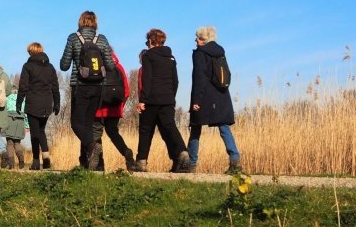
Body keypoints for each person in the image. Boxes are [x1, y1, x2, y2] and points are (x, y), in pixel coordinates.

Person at [60, 11, 115, 170]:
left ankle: (92, 147)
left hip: (79, 85)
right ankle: (87, 162)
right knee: (88, 124)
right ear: (95, 22)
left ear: (80, 21)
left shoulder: (73, 38)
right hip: (98, 87)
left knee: (77, 123)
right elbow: (110, 66)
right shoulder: (102, 39)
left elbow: (64, 66)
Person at [188, 26, 243, 174]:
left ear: (204, 40)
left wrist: (196, 101)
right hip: (222, 95)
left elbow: (199, 78)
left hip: (205, 96)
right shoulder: (220, 53)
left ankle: (191, 164)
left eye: (198, 37)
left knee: (195, 127)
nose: (195, 39)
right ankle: (235, 160)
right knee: (224, 127)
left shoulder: (200, 54)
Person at [135, 29, 191, 173]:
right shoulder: (171, 58)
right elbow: (175, 81)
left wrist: (142, 100)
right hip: (167, 99)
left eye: (147, 41)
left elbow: (147, 79)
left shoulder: (148, 56)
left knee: (146, 130)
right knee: (170, 128)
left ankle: (141, 162)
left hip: (151, 99)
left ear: (151, 41)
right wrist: (170, 96)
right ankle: (182, 154)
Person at [17, 42, 60, 170]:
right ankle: (46, 158)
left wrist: (19, 102)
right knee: (41, 131)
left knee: (35, 133)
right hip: (47, 104)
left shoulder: (28, 66)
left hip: (32, 103)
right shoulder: (50, 67)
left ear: (31, 52)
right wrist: (57, 103)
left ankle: (36, 161)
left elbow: (23, 86)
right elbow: (55, 87)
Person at [92, 51, 134, 171]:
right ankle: (126, 152)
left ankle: (99, 166)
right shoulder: (119, 66)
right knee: (113, 133)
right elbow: (126, 91)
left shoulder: (96, 65)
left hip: (99, 108)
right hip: (114, 108)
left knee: (96, 135)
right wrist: (120, 106)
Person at [4, 85, 26, 169]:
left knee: (9, 143)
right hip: (20, 121)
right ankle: (21, 159)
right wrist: (27, 125)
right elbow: (25, 113)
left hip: (9, 119)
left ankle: (11, 164)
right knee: (17, 142)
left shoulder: (7, 98)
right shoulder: (23, 99)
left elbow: (3, 111)